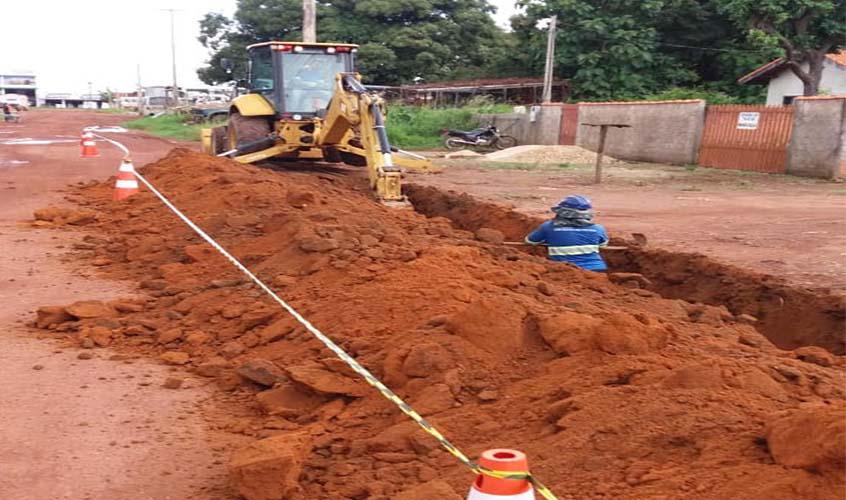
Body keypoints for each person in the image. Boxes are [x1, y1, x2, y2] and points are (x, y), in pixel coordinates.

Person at [524, 195, 609, 272]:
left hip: (566, 271)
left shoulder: (549, 227)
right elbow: (602, 245)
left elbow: (530, 241)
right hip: (597, 269)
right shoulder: (598, 228)